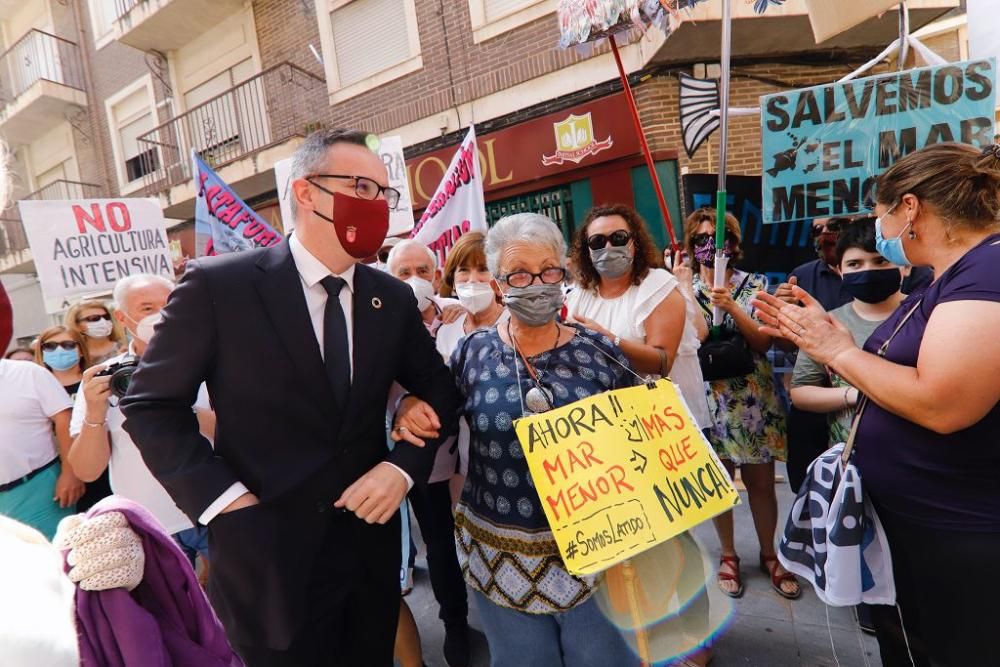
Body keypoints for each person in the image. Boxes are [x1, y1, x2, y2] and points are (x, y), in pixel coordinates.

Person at [120, 128, 461, 667]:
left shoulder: (390, 298)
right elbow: (151, 406)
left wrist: (402, 466)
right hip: (266, 558)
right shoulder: (218, 287)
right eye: (360, 187)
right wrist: (225, 502)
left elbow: (441, 387)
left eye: (383, 192)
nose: (376, 204)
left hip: (368, 554)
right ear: (306, 193)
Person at [755, 142, 1000, 666]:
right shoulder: (949, 277)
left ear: (909, 208)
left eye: (880, 215)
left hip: (956, 531)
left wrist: (835, 350)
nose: (880, 230)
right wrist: (831, 335)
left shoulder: (987, 272)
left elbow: (943, 404)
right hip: (922, 525)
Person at [394, 213, 641, 667]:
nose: (538, 284)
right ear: (500, 283)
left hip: (598, 554)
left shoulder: (600, 351)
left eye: (548, 271)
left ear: (563, 272)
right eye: (520, 274)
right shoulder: (472, 351)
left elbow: (641, 442)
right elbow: (440, 414)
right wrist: (410, 404)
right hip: (501, 558)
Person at [685, 208, 799, 601]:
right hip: (707, 399)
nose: (711, 247)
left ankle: (770, 554)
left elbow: (764, 343)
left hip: (751, 398)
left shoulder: (755, 285)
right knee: (719, 484)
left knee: (761, 485)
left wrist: (732, 305)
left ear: (734, 244)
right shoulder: (682, 287)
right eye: (701, 240)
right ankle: (729, 555)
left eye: (719, 239)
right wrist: (686, 289)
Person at [69, 274, 215, 569]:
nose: (160, 315)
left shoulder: (215, 360)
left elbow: (242, 435)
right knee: (169, 614)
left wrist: (174, 402)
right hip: (150, 524)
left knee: (242, 610)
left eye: (169, 304)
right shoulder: (106, 378)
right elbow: (87, 470)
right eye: (147, 308)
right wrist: (95, 413)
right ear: (122, 317)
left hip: (217, 509)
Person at [386, 237, 471, 667]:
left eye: (422, 271)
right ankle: (454, 622)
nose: (414, 280)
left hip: (476, 449)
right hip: (427, 454)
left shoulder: (463, 317)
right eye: (403, 273)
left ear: (437, 276)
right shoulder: (380, 326)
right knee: (439, 543)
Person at [566, 204, 706, 425]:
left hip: (666, 421)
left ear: (634, 243)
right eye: (598, 241)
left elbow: (661, 362)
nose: (609, 246)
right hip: (611, 424)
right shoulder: (579, 295)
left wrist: (607, 339)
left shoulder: (658, 286)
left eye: (618, 238)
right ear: (587, 250)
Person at [790, 219, 904, 446]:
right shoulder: (828, 323)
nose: (868, 270)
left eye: (880, 261)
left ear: (904, 265)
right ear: (840, 270)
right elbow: (801, 391)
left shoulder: (926, 316)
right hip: (848, 462)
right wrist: (854, 396)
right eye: (855, 264)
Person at [435, 231, 506, 502]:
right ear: (452, 280)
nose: (473, 279)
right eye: (464, 270)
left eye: (483, 269)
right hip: (464, 451)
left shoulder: (517, 324)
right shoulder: (447, 329)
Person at [0, 353, 84, 540]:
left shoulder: (28, 373)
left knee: (56, 560)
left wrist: (71, 473)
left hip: (39, 487)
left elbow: (64, 418)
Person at [34, 326, 91, 398]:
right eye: (50, 346)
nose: (59, 350)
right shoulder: (35, 387)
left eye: (68, 344)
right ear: (41, 351)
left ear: (81, 350)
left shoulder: (96, 379)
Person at [65, 300, 126, 365]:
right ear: (77, 326)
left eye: (106, 317)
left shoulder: (126, 345)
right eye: (94, 318)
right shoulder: (75, 355)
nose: (103, 321)